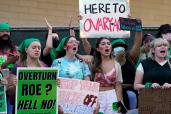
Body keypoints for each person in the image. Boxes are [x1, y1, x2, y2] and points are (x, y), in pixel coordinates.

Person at [6, 38, 47, 114]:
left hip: (40, 109)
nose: (37, 50)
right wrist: (15, 86)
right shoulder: (18, 67)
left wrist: (56, 84)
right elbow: (9, 92)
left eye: (39, 48)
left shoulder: (45, 67)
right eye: (34, 47)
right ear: (26, 50)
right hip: (21, 109)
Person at [92, 38, 123, 114]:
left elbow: (118, 86)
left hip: (112, 96)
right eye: (103, 44)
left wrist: (120, 102)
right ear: (98, 49)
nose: (106, 46)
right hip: (97, 96)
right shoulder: (93, 63)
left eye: (108, 44)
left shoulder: (117, 65)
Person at [0, 22, 18, 114]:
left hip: (11, 87)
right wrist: (7, 63)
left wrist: (17, 60)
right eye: (2, 31)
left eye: (7, 31)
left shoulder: (14, 48)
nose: (5, 33)